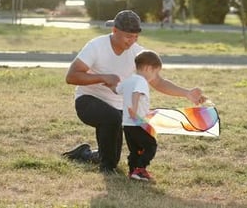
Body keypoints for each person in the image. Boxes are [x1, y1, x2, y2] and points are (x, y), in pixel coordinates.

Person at [62, 9, 206, 174]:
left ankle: (85, 154)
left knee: (112, 149)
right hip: (88, 101)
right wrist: (103, 77)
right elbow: (71, 76)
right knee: (112, 120)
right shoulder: (96, 46)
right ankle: (107, 169)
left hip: (117, 110)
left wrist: (187, 93)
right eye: (128, 36)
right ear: (114, 30)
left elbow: (157, 81)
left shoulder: (138, 53)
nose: (132, 41)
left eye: (136, 37)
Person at [115, 50, 161, 181]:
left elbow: (117, 90)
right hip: (137, 122)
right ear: (147, 68)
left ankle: (133, 172)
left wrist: (109, 84)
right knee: (151, 145)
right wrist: (134, 111)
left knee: (136, 150)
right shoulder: (141, 81)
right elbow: (136, 94)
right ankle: (140, 168)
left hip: (127, 124)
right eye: (155, 73)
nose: (155, 76)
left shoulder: (129, 80)